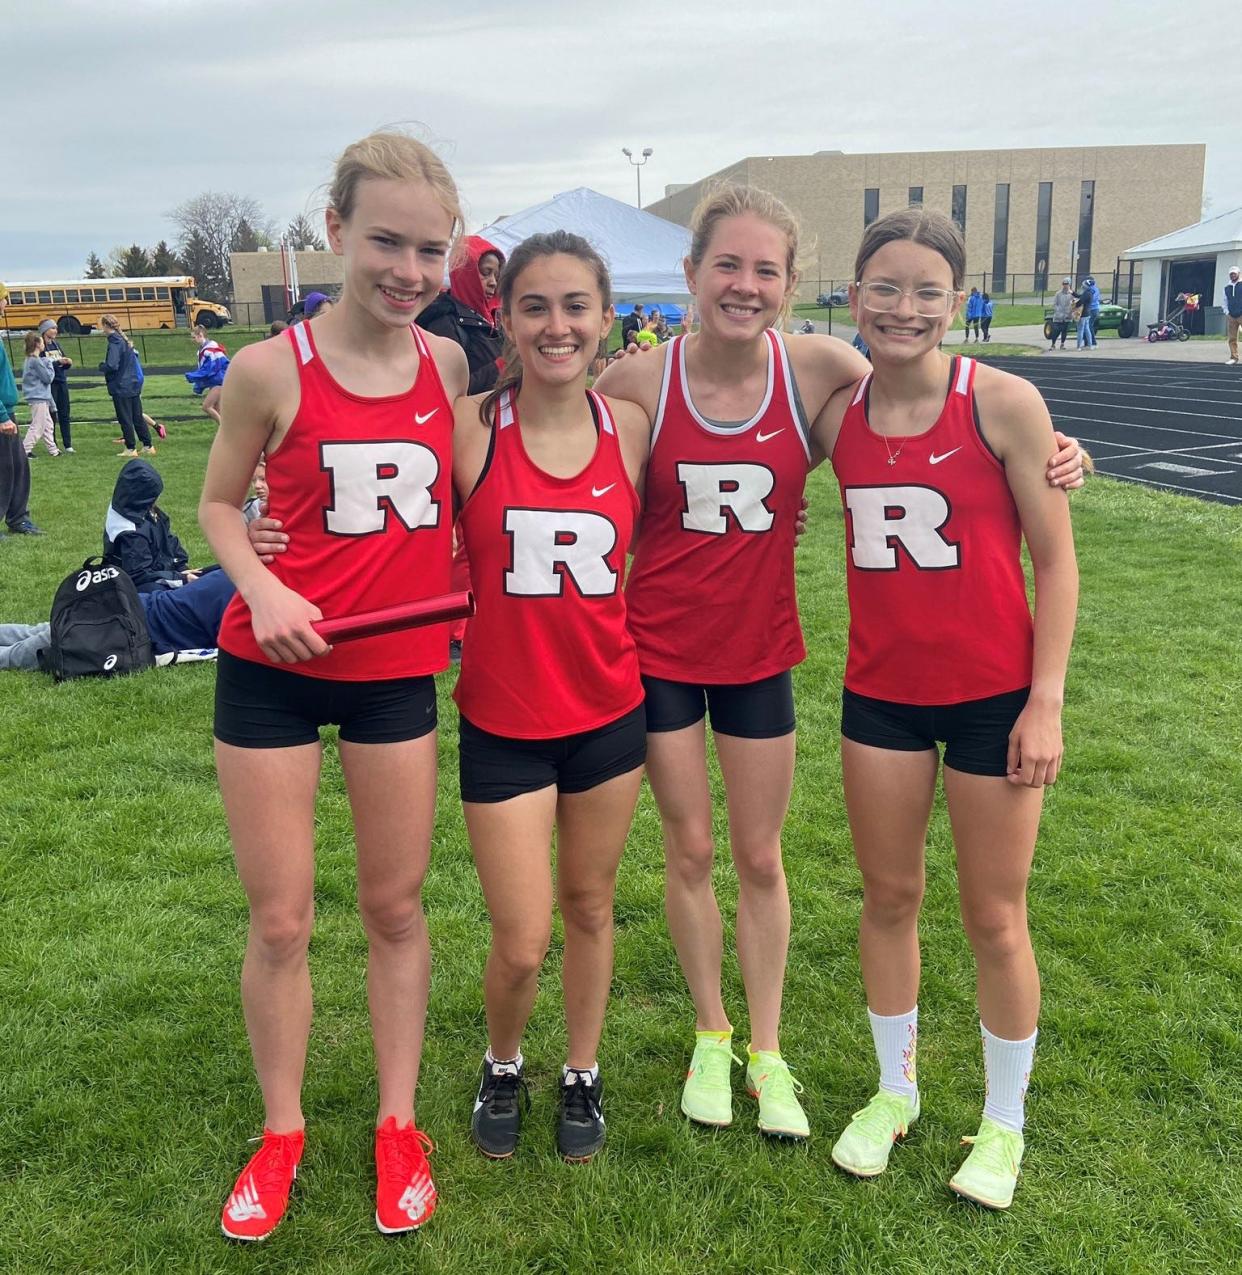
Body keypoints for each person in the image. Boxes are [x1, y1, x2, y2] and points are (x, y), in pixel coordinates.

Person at [591, 185, 1084, 1145]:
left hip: (850, 667)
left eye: (765, 269)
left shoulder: (860, 376)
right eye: (725, 266)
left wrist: (1059, 450)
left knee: (917, 892)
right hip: (756, 669)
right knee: (760, 866)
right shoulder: (685, 387)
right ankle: (756, 1047)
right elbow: (554, 448)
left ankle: (936, 1100)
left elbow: (1006, 506)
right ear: (690, 274)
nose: (744, 285)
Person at [199, 129, 467, 1243]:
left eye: (431, 251)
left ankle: (398, 1123)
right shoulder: (270, 369)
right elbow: (218, 505)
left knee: (396, 909)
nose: (409, 270)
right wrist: (260, 584)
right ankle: (282, 1129)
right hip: (271, 675)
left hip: (395, 672)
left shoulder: (449, 364)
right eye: (387, 242)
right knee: (281, 919)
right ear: (336, 232)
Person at [819, 208, 1078, 1211]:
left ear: (957, 302)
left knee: (993, 915)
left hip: (993, 700)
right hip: (880, 693)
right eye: (885, 286)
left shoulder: (1004, 402)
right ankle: (897, 1091)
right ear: (855, 296)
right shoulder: (835, 407)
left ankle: (1004, 1120)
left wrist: (1044, 702)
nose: (905, 307)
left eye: (929, 290)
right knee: (887, 900)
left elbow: (1055, 564)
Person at [452, 232, 652, 1163]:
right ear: (506, 318)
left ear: (605, 317)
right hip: (503, 719)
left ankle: (581, 1068)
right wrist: (262, 513)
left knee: (591, 904)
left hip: (611, 712)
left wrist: (1051, 449)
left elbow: (797, 437)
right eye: (536, 306)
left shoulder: (634, 430)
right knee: (523, 936)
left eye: (576, 305)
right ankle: (503, 1059)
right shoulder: (468, 429)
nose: (558, 325)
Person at [0, 566, 236, 671]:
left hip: (128, 605)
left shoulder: (230, 572)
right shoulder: (243, 596)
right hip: (123, 628)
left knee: (39, 632)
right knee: (20, 654)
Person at [417, 235, 505, 393]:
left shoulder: (497, 320)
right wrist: (502, 366)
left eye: (496, 276)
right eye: (486, 273)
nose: (493, 282)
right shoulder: (444, 324)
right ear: (465, 273)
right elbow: (450, 392)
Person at [104, 458, 195, 591]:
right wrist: (181, 578)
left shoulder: (135, 505)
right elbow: (140, 575)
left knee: (216, 572)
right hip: (144, 586)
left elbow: (167, 537)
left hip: (162, 570)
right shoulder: (130, 532)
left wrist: (181, 565)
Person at [0, 289, 42, 538]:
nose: (5, 303)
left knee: (18, 465)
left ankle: (18, 517)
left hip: (7, 410)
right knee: (5, 467)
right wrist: (2, 415)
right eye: (3, 298)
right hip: (2, 413)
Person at [98, 314, 154, 456]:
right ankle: (148, 445)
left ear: (105, 325)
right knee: (137, 416)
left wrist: (102, 366)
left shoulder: (114, 342)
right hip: (133, 382)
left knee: (125, 417)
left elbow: (112, 365)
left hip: (121, 385)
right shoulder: (124, 340)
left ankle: (130, 447)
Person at [21, 332, 60, 457]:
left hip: (38, 396)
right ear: (37, 344)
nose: (44, 345)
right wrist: (49, 364)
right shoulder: (35, 360)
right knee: (38, 425)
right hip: (38, 396)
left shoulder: (29, 359)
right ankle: (24, 450)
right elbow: (48, 378)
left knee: (48, 425)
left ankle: (53, 450)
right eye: (42, 342)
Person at [37, 320, 74, 452]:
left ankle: (68, 445)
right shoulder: (40, 347)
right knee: (52, 415)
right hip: (50, 384)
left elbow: (63, 362)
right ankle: (52, 445)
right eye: (52, 328)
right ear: (45, 330)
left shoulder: (56, 344)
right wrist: (57, 362)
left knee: (65, 413)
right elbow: (40, 366)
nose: (55, 331)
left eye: (56, 328)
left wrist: (67, 362)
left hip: (61, 381)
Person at [186, 324, 230, 426]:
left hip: (218, 381)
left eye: (194, 337)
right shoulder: (206, 349)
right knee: (216, 408)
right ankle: (225, 432)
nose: (193, 340)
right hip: (216, 381)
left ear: (200, 335)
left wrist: (193, 376)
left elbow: (210, 368)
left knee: (206, 406)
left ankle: (225, 430)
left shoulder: (210, 349)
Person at [1223, 265, 1242, 365]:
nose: (1233, 275)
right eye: (1231, 274)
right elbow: (1225, 301)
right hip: (1231, 316)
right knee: (1232, 338)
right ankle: (1234, 357)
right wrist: (1227, 312)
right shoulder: (1227, 288)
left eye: (1234, 273)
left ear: (1239, 274)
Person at [1049, 278, 1074, 350]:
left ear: (1069, 285)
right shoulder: (1058, 294)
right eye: (1064, 284)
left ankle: (1062, 344)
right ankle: (1053, 344)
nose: (1065, 286)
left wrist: (1070, 312)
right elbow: (1054, 304)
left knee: (1064, 330)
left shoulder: (1071, 294)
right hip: (1058, 316)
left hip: (1067, 316)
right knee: (1056, 330)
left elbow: (1074, 303)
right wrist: (1058, 311)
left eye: (1067, 284)